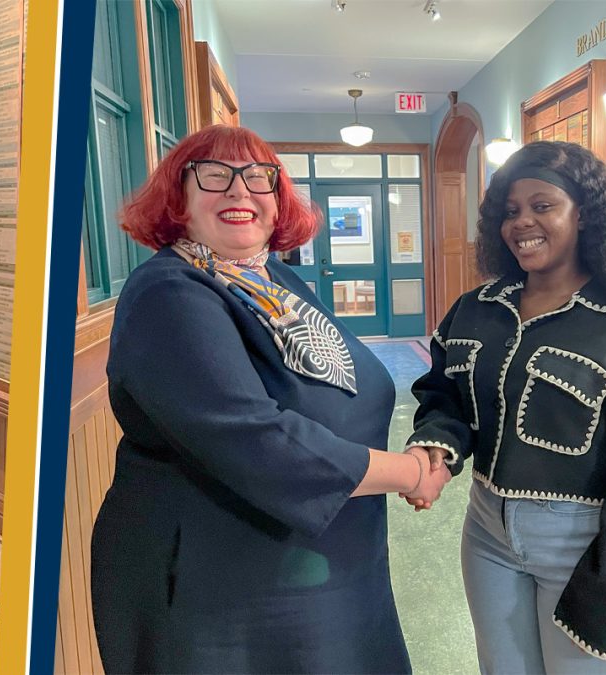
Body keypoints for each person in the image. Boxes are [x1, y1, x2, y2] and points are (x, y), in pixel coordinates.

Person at [89, 123, 449, 673]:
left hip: (322, 564)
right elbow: (255, 437)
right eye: (214, 176)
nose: (239, 192)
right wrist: (407, 472)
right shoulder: (169, 293)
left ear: (278, 200)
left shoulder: (273, 278)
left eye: (258, 177)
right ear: (177, 198)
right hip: (220, 581)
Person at [407, 140, 606, 673]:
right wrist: (436, 446)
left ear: (584, 214)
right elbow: (443, 393)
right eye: (511, 211)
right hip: (486, 530)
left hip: (582, 540)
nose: (523, 223)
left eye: (543, 206)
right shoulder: (477, 308)